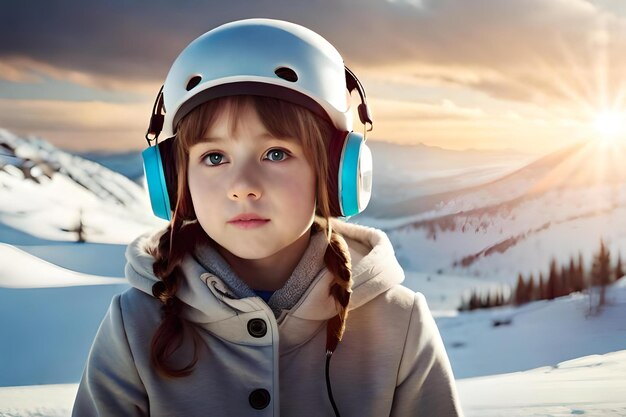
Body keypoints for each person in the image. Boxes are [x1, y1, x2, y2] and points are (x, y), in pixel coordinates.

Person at [72, 18, 463, 417]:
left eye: (276, 153)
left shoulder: (398, 323)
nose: (242, 186)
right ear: (175, 181)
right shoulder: (134, 326)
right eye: (214, 157)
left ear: (333, 172)